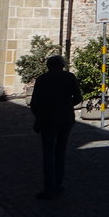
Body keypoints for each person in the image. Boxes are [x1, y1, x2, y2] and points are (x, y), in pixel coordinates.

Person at [29, 55, 82, 199]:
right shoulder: (70, 77)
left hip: (48, 120)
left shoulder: (42, 80)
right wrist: (65, 106)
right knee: (60, 152)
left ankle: (49, 188)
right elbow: (78, 98)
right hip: (66, 119)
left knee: (48, 154)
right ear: (62, 65)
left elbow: (34, 103)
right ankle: (58, 185)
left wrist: (39, 115)